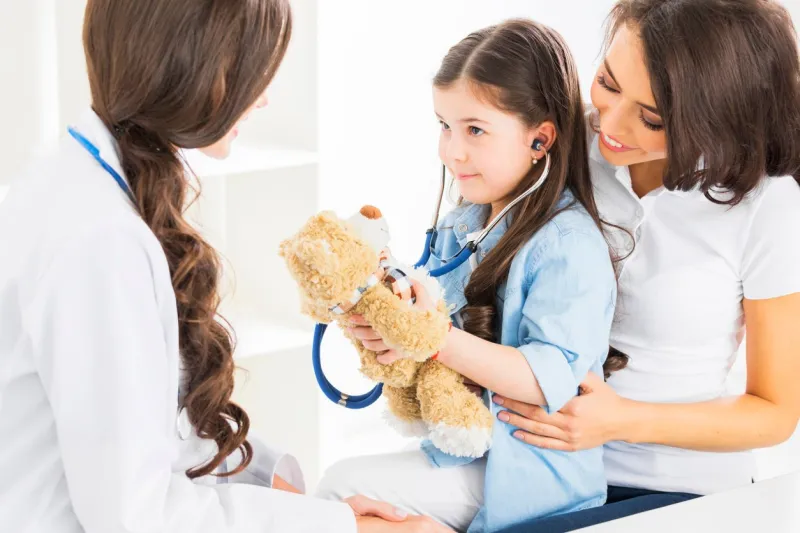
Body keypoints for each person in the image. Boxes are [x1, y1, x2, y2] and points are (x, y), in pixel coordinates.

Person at [0, 1, 451, 532]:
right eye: (251, 69)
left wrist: (298, 505)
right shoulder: (99, 242)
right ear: (191, 67)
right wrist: (341, 529)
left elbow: (147, 428)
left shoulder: (83, 185)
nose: (262, 99)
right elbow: (133, 516)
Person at [493, 1, 800, 531]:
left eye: (652, 117)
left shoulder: (765, 205)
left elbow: (774, 411)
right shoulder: (564, 145)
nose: (608, 123)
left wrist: (621, 422)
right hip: (535, 461)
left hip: (677, 484)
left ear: (717, 116)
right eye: (608, 83)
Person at [316, 19, 621, 533]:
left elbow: (546, 378)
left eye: (475, 130)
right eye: (444, 126)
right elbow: (437, 329)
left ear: (539, 139)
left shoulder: (569, 247)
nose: (451, 151)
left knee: (339, 495)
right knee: (337, 497)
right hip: (471, 453)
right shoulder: (466, 223)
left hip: (526, 475)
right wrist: (389, 324)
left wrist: (432, 338)